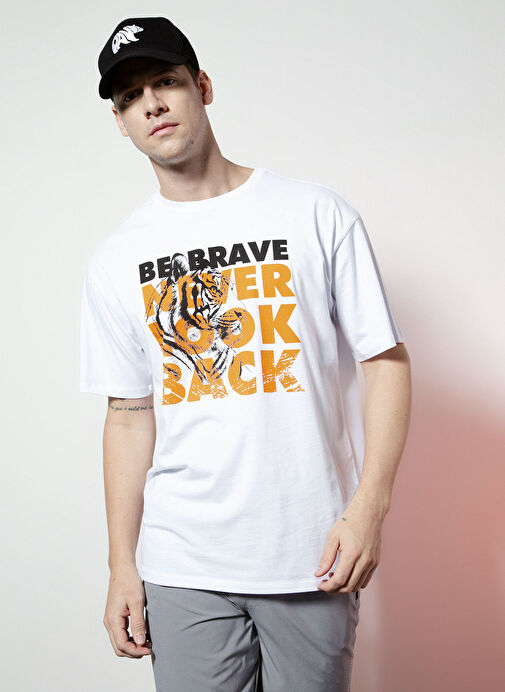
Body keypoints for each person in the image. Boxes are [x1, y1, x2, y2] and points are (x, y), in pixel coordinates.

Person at [79, 15, 412, 692]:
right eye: (131, 96)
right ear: (121, 122)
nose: (152, 104)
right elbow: (128, 416)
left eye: (166, 81)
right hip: (181, 562)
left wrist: (369, 508)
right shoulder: (117, 259)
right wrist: (122, 565)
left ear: (202, 86)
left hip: (309, 552)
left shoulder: (314, 213)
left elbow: (384, 363)